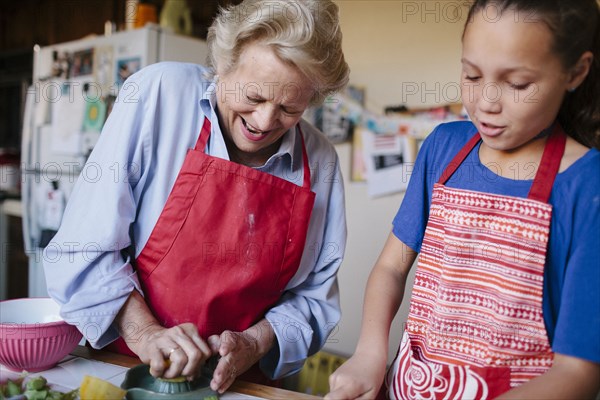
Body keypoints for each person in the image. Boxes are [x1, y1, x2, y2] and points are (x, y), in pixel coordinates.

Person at [43, 0, 349, 394]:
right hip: (124, 369)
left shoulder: (319, 160)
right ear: (223, 64)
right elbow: (84, 247)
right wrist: (147, 334)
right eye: (254, 97)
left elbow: (314, 300)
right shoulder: (158, 96)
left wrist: (254, 342)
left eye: (290, 108)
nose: (265, 121)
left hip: (237, 385)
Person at [327, 0, 600, 398]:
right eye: (471, 75)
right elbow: (390, 267)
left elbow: (579, 371)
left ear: (575, 71)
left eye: (517, 84)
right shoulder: (443, 149)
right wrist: (369, 353)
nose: (487, 101)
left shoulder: (586, 185)